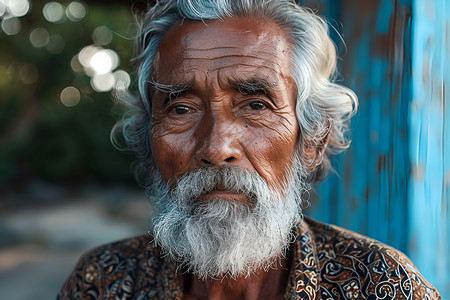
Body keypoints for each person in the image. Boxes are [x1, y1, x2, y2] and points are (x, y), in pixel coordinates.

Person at [58, 0, 441, 299]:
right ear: (147, 140)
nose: (216, 147)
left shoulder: (380, 285)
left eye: (256, 105)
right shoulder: (102, 282)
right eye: (181, 109)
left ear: (312, 140)